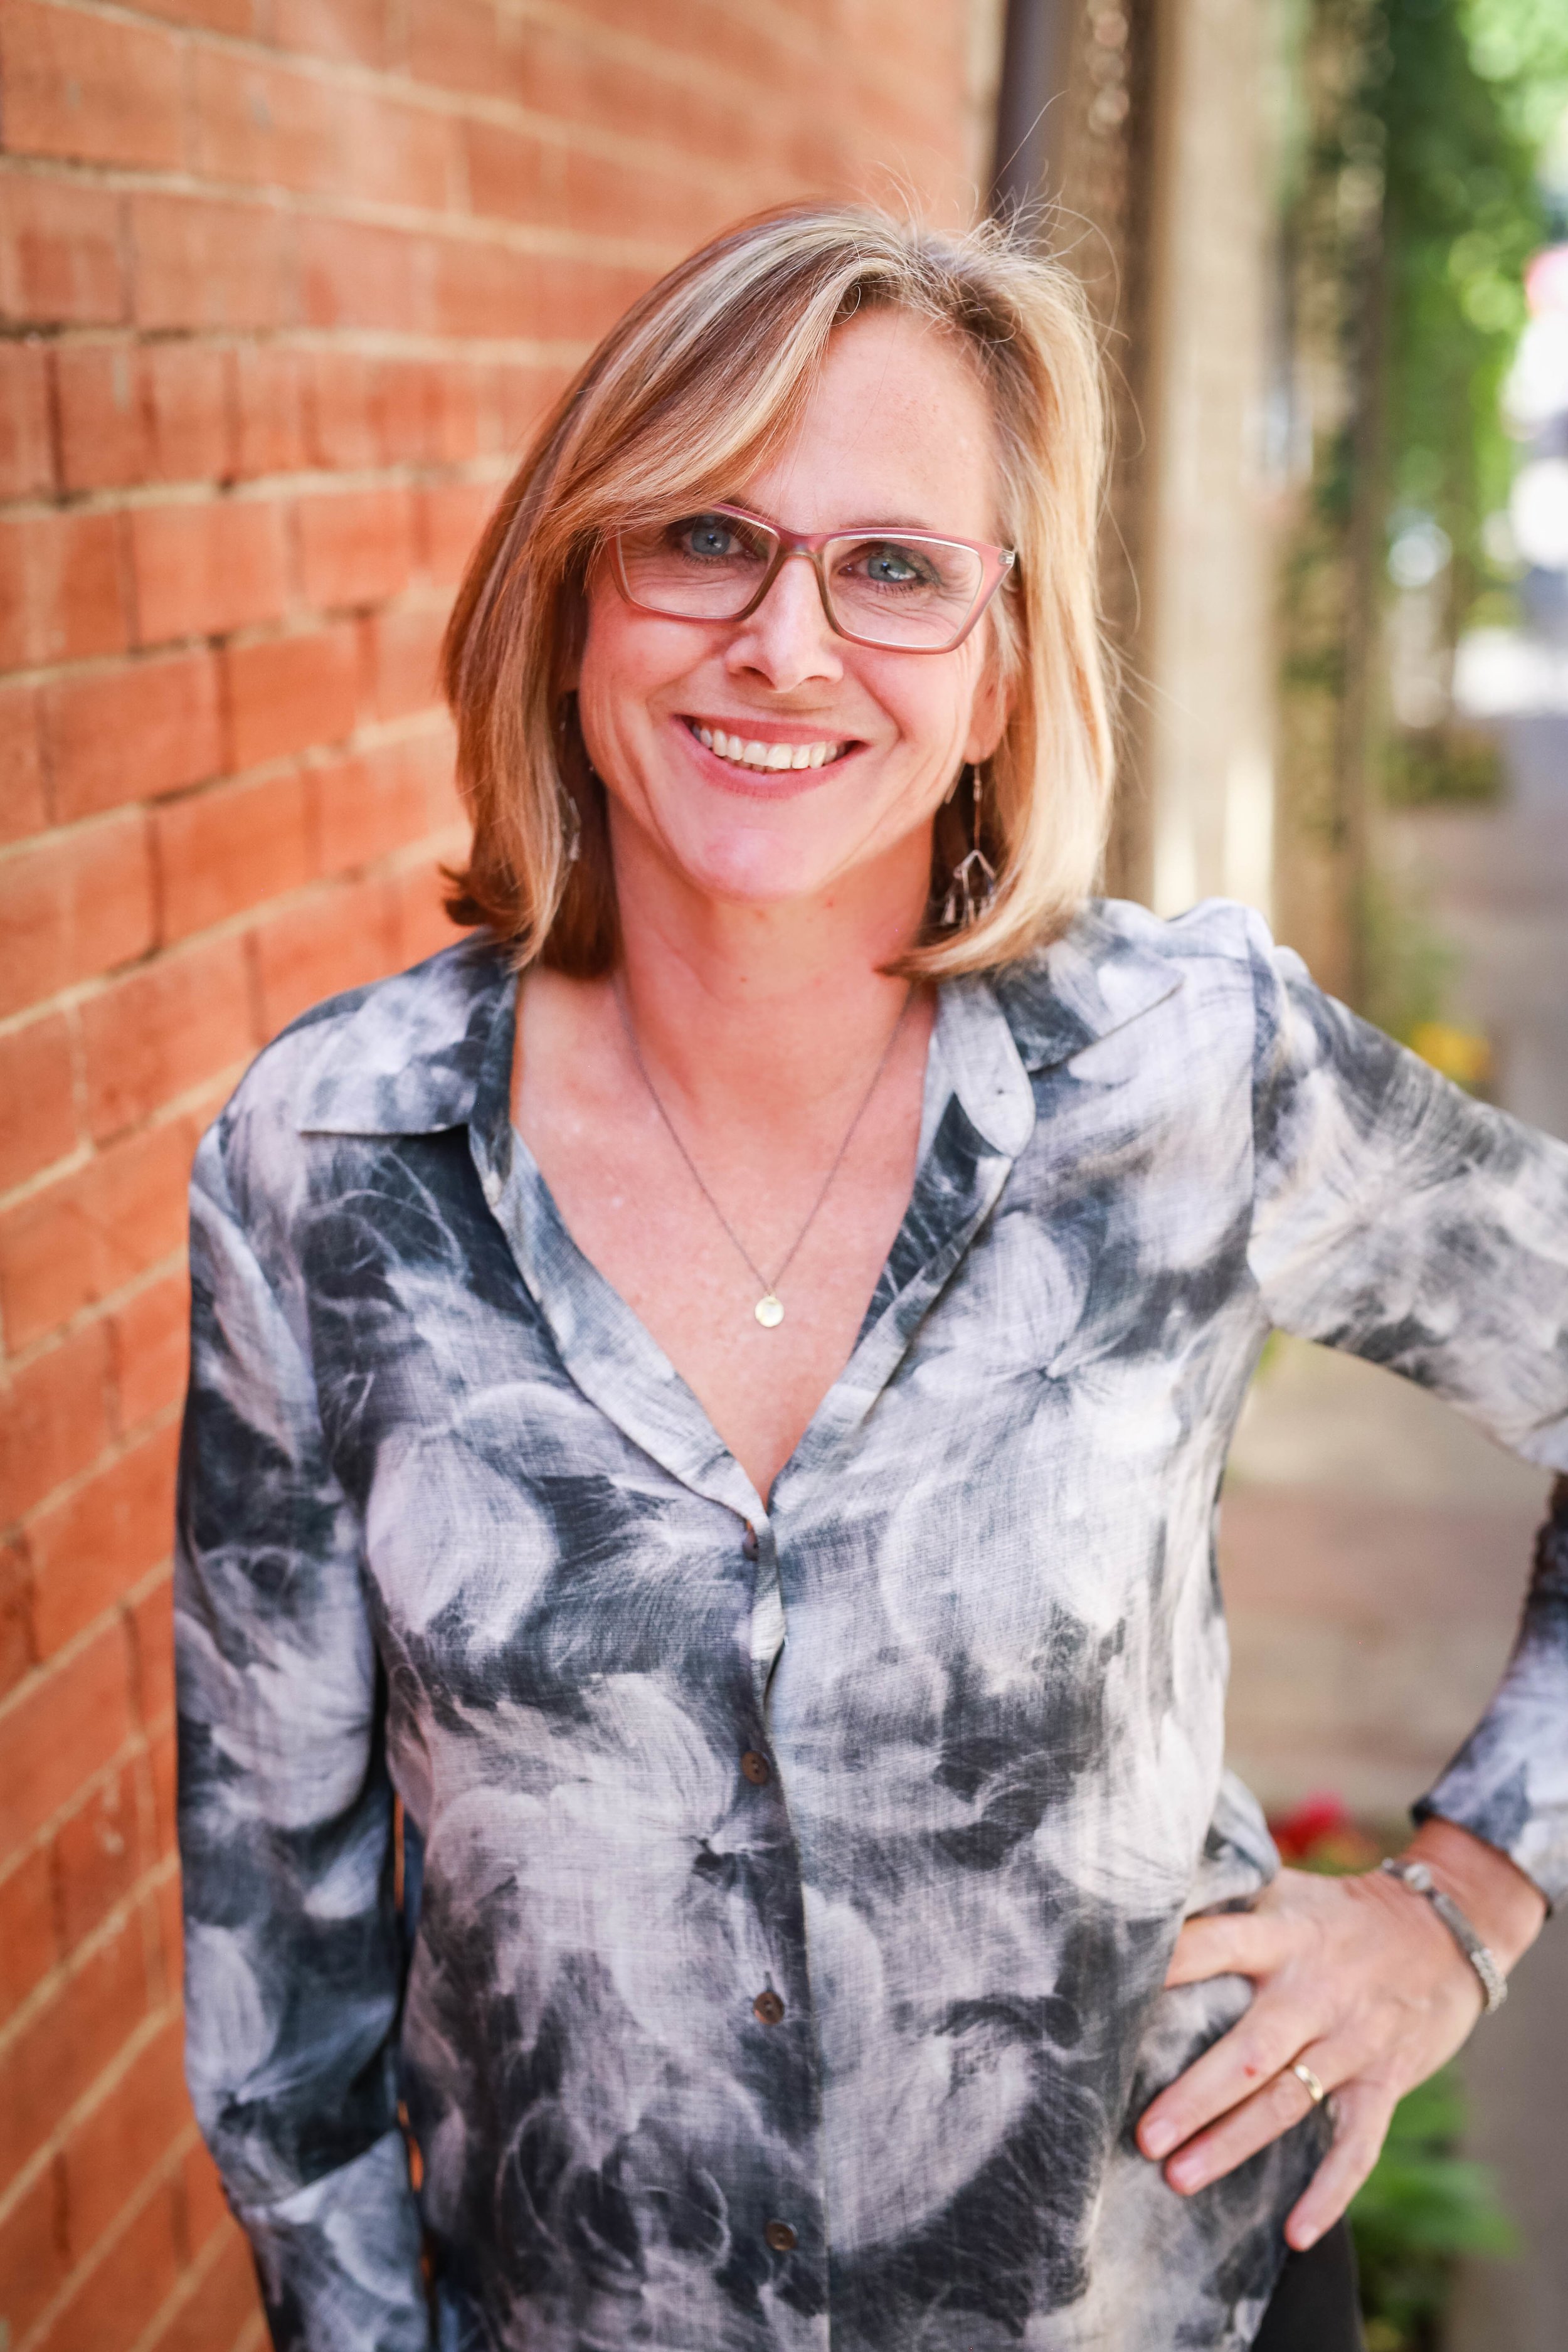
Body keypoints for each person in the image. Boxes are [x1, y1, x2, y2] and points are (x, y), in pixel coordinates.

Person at [174, 204, 1567, 2352]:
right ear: (572, 600)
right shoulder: (329, 1166)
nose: (787, 645)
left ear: (1004, 667)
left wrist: (1458, 1904)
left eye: (893, 568)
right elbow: (284, 1971)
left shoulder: (1187, 1075)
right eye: (703, 539)